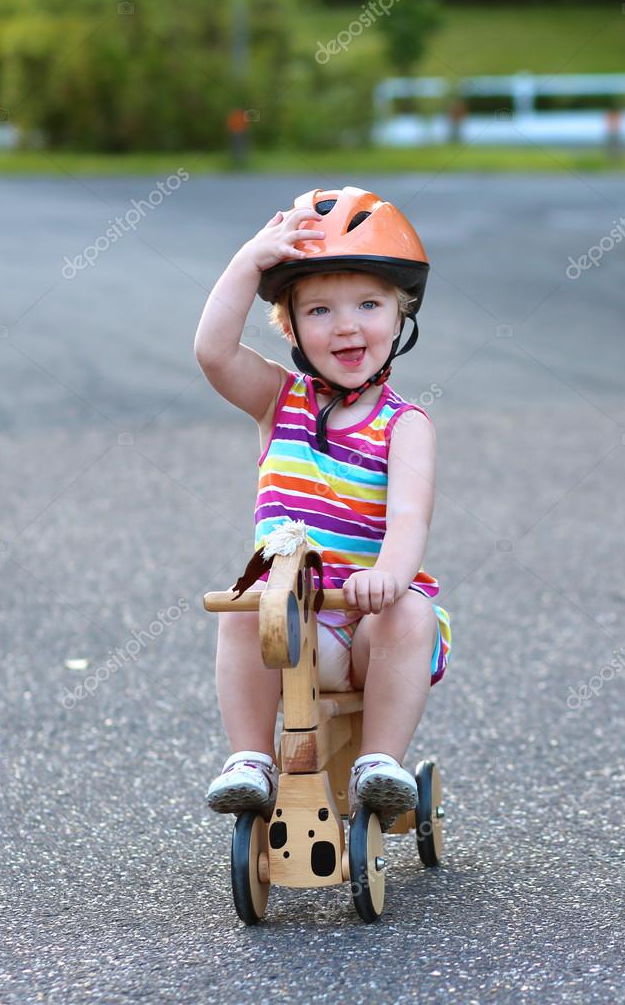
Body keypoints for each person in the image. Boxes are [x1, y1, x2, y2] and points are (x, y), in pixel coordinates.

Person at [193, 186, 451, 830]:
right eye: (319, 310)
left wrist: (388, 575)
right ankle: (250, 759)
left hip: (366, 625)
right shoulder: (278, 401)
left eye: (369, 304)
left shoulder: (405, 426)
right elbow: (213, 352)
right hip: (293, 622)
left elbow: (408, 522)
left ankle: (381, 763)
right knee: (245, 606)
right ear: (291, 328)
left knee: (411, 609)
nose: (345, 325)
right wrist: (249, 261)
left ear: (400, 315)